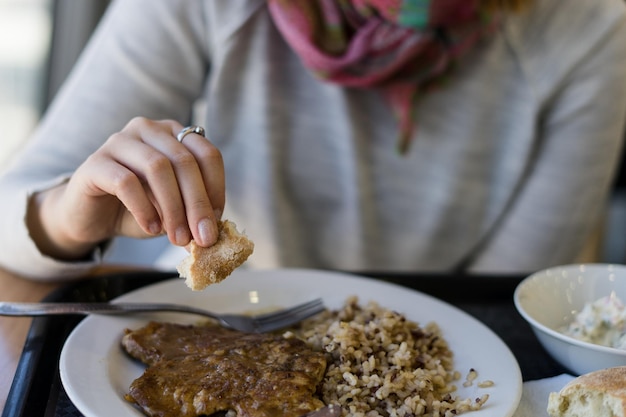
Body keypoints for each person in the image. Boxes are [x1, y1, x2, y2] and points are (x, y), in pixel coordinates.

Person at [0, 0, 625, 281]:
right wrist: (69, 216)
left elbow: (501, 304)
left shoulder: (592, 30)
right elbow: (10, 226)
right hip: (223, 324)